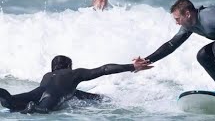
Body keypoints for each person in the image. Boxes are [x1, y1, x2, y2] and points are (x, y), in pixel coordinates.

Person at [0, 55, 152, 114]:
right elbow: (104, 69)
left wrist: (96, 98)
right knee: (44, 109)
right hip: (51, 96)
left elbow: (73, 93)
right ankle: (32, 108)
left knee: (11, 102)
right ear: (69, 66)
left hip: (38, 91)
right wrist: (132, 66)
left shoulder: (47, 75)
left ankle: (4, 95)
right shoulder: (74, 74)